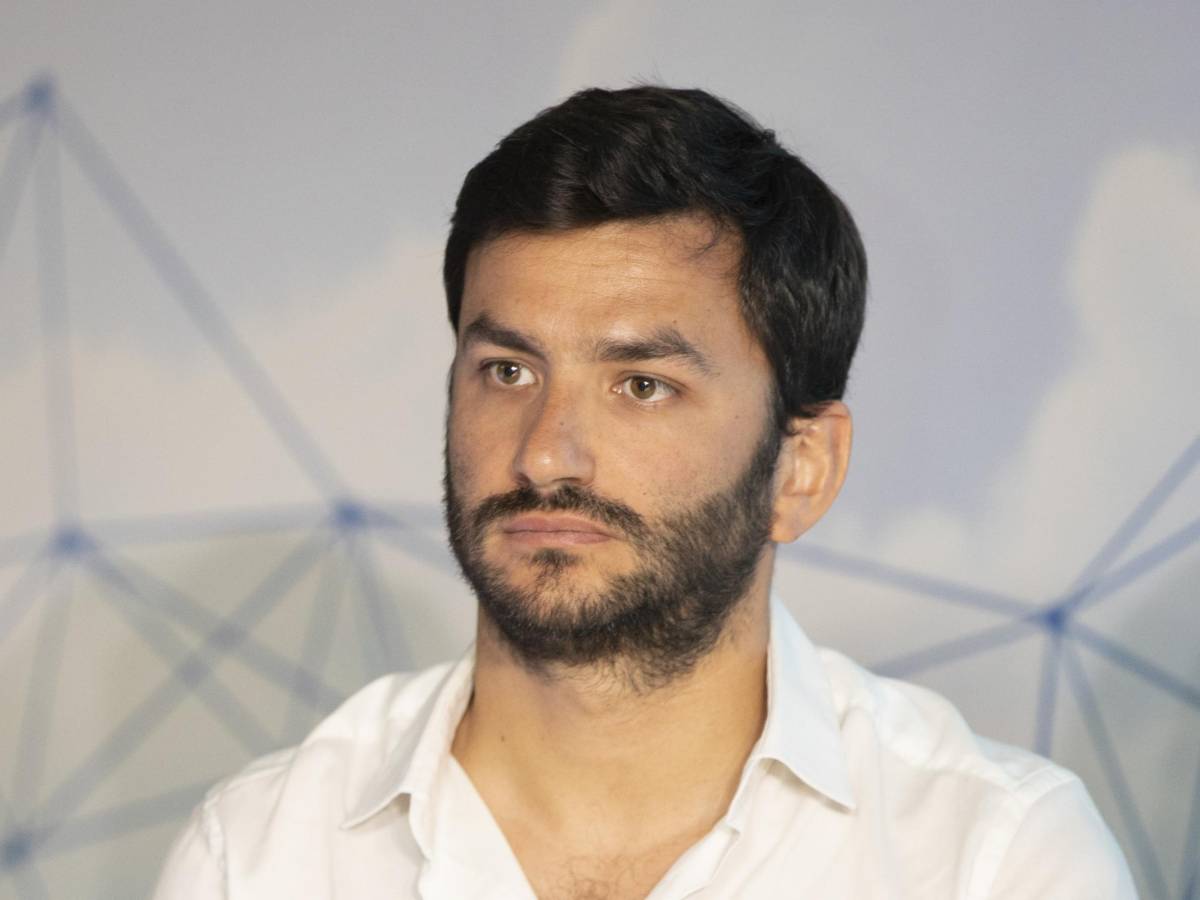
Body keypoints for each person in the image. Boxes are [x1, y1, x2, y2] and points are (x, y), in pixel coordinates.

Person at [154, 86, 1135, 899]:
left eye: (641, 386)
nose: (547, 455)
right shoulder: (261, 854)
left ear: (802, 468)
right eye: (507, 371)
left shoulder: (991, 859)